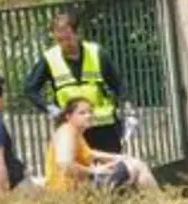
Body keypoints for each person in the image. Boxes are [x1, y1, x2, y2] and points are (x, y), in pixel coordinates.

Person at [23, 11, 129, 156]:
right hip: (71, 128)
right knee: (78, 173)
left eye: (67, 38)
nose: (64, 44)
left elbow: (118, 84)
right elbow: (30, 89)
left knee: (111, 171)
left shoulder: (97, 52)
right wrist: (50, 109)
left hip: (102, 126)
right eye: (59, 40)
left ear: (77, 33)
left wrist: (127, 106)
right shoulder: (50, 58)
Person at [45, 98, 158, 193]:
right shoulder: (67, 132)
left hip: (79, 188)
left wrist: (119, 157)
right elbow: (65, 165)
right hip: (72, 192)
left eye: (90, 112)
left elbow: (92, 153)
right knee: (136, 165)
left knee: (128, 163)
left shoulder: (75, 133)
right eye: (82, 113)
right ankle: (158, 202)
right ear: (68, 117)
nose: (88, 116)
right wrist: (94, 171)